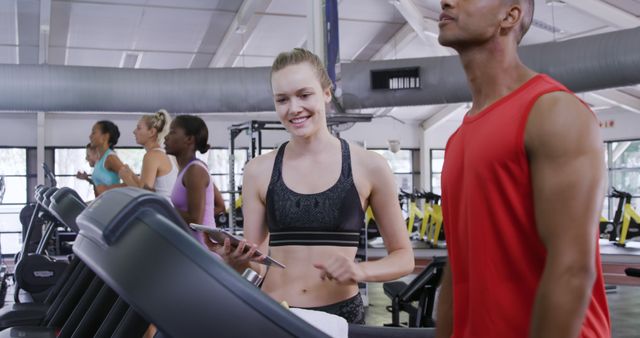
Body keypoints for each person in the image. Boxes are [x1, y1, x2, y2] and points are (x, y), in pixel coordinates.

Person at [435, 1, 610, 337]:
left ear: (510, 16)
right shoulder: (458, 139)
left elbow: (572, 268)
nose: (446, 1)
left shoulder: (553, 112)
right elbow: (458, 269)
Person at [207, 48, 414, 324]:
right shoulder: (258, 171)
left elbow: (403, 257)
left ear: (327, 93)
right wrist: (236, 262)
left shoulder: (369, 166)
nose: (294, 108)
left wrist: (360, 271)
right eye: (282, 99)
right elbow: (256, 262)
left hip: (340, 316)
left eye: (304, 95)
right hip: (274, 312)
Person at [164, 115, 215, 244]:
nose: (166, 137)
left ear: (189, 139)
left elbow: (195, 220)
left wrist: (164, 208)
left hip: (202, 249)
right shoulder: (187, 170)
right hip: (191, 245)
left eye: (172, 132)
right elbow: (219, 205)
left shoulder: (195, 171)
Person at [119, 109, 178, 200]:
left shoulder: (153, 155)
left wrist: (126, 178)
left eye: (139, 128)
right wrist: (132, 176)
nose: (134, 131)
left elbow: (145, 197)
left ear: (152, 132)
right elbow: (146, 188)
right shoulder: (159, 153)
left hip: (162, 212)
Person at [90, 120, 125, 196]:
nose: (90, 136)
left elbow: (132, 183)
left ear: (105, 136)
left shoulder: (110, 158)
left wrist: (108, 189)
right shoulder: (99, 159)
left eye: (94, 133)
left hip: (113, 205)